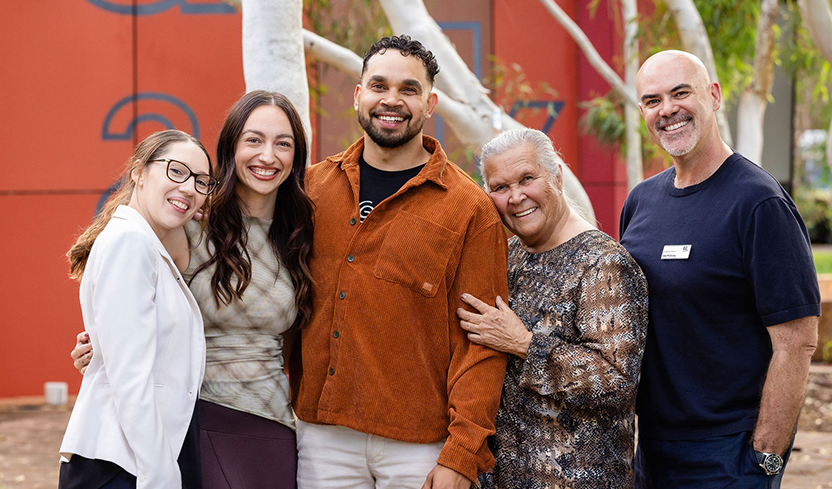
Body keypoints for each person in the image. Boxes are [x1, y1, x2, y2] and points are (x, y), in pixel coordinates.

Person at [291, 35, 509, 488]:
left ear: (430, 103)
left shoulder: (469, 209)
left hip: (420, 449)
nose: (392, 100)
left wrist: (461, 455)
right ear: (358, 95)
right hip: (322, 439)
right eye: (379, 86)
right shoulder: (312, 189)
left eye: (408, 89)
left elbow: (483, 342)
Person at [71, 90, 314, 488]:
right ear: (231, 147)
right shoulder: (189, 225)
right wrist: (98, 345)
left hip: (276, 425)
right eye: (253, 140)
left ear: (296, 155)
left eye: (282, 144)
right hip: (204, 418)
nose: (267, 156)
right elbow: (124, 293)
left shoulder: (300, 233)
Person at [620, 50, 821, 488]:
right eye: (653, 100)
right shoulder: (641, 202)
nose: (667, 109)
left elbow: (798, 341)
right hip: (652, 451)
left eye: (680, 93)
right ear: (642, 112)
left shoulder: (758, 203)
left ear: (713, 96)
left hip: (728, 455)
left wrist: (764, 458)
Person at [456, 128, 648, 488]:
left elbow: (617, 380)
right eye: (500, 188)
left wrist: (525, 345)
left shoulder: (603, 263)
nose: (516, 197)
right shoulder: (505, 257)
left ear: (557, 177)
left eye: (527, 179)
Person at [60, 129, 215, 488]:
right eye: (176, 171)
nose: (190, 188)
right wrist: (160, 475)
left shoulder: (144, 241)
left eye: (201, 181)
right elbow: (131, 378)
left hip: (139, 459)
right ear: (139, 173)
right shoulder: (130, 243)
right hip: (124, 465)